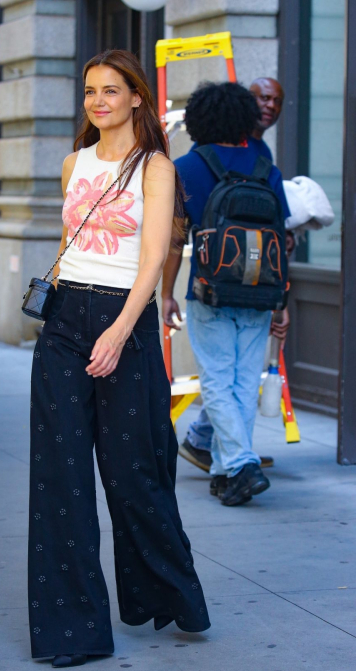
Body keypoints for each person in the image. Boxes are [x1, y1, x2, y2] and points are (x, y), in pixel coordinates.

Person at [28, 49, 210, 669]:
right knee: (60, 478)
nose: (98, 101)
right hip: (64, 323)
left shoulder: (154, 167)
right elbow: (65, 243)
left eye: (112, 90)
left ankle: (169, 594)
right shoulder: (72, 163)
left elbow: (154, 255)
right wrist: (62, 311)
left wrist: (124, 328)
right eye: (89, 92)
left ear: (137, 97)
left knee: (135, 475)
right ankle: (73, 629)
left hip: (121, 322)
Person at [162, 81, 291, 506]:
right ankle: (224, 472)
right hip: (258, 295)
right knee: (241, 382)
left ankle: (239, 465)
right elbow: (281, 239)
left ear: (198, 120)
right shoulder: (265, 167)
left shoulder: (187, 167)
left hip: (210, 290)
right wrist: (282, 300)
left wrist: (167, 294)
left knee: (217, 380)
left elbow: (174, 241)